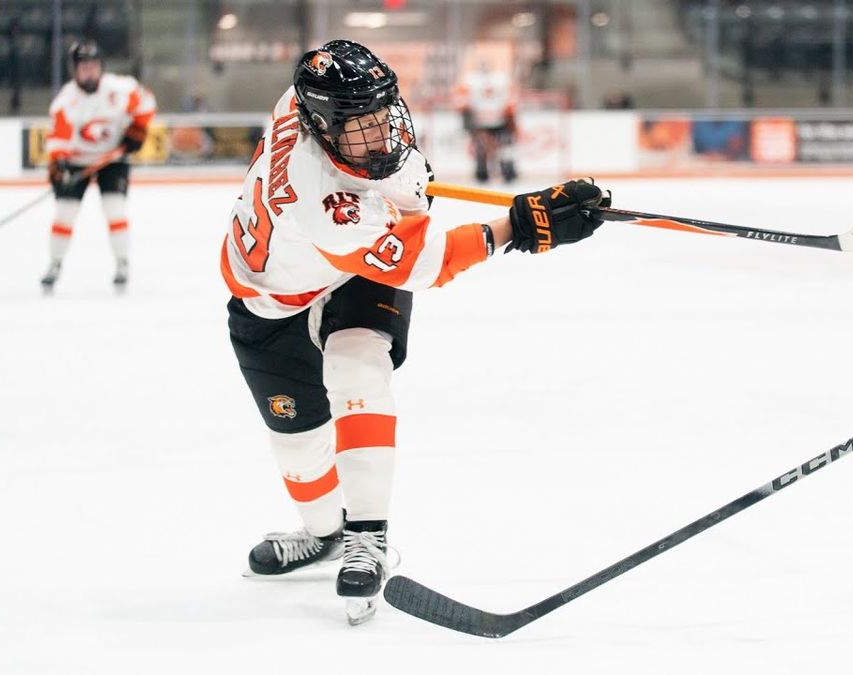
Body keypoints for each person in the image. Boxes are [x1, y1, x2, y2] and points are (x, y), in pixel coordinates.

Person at [223, 39, 608, 624]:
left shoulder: (308, 108)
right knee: (297, 443)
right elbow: (428, 263)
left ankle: (367, 538)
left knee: (357, 362)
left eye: (384, 114)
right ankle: (325, 533)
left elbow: (401, 191)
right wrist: (520, 225)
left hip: (340, 270)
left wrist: (404, 188)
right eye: (361, 127)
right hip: (271, 299)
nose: (381, 135)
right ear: (322, 126)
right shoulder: (321, 202)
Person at [41, 39, 155, 292]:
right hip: (77, 161)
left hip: (112, 158)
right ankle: (54, 264)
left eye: (93, 66)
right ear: (75, 70)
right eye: (83, 67)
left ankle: (122, 264)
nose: (89, 71)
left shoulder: (121, 88)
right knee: (64, 213)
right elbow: (58, 138)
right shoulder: (65, 101)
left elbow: (147, 104)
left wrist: (138, 129)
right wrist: (58, 162)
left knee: (115, 210)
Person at [456, 59, 517, 183]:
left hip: (480, 121)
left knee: (487, 147)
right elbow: (511, 102)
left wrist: (468, 119)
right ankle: (506, 173)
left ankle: (483, 173)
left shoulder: (470, 80)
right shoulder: (502, 78)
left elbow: (462, 103)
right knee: (502, 147)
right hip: (498, 120)